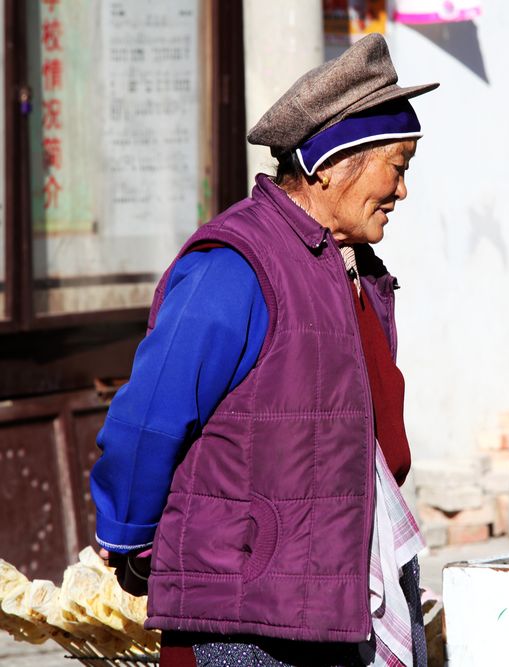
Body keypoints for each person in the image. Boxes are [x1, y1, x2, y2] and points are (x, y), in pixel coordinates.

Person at [89, 34, 437, 667]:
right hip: (248, 612)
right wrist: (133, 541)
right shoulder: (237, 267)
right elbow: (149, 417)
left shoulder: (353, 269)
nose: (402, 191)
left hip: (333, 589)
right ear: (333, 164)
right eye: (398, 166)